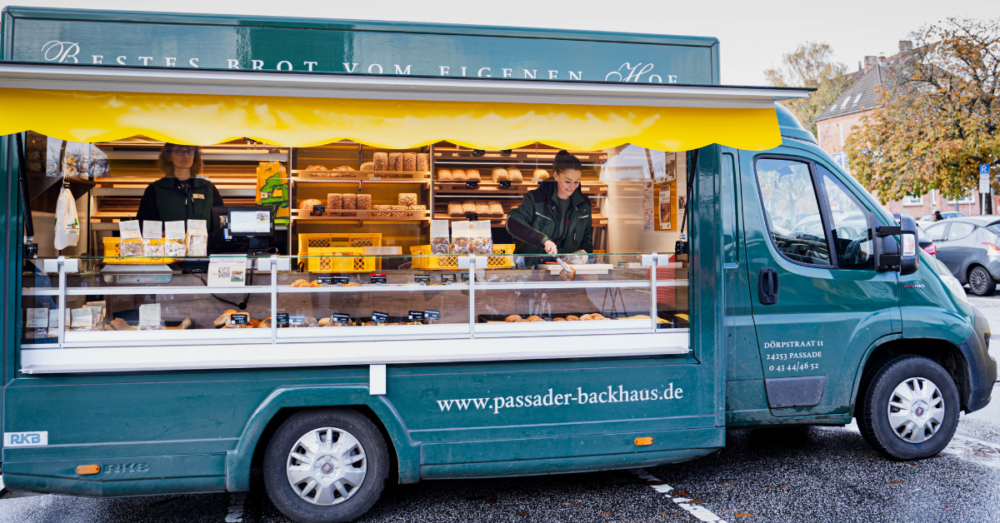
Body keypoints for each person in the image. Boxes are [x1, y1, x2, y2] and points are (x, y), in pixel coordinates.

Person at [507, 150, 594, 257]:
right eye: (567, 181)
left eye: (576, 181)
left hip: (565, 265)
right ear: (556, 176)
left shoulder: (584, 205)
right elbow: (512, 221)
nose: (572, 187)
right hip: (533, 264)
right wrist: (543, 240)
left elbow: (586, 240)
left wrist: (588, 260)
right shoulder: (535, 199)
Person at [136, 144, 223, 224]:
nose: (186, 155)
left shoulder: (208, 188)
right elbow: (143, 225)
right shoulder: (155, 190)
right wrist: (161, 233)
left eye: (190, 151)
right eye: (179, 151)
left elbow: (221, 224)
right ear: (169, 156)